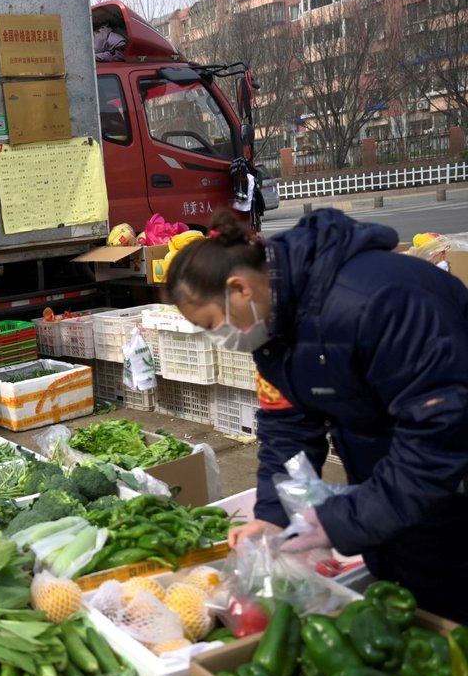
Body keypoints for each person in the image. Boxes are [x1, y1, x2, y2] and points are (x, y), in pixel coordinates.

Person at [166, 208, 468, 622]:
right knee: (407, 606)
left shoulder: (380, 300)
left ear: (239, 289)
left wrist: (339, 521)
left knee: (448, 609)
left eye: (212, 324)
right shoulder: (273, 329)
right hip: (392, 483)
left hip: (449, 486)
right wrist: (274, 517)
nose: (220, 338)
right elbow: (285, 427)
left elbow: (438, 439)